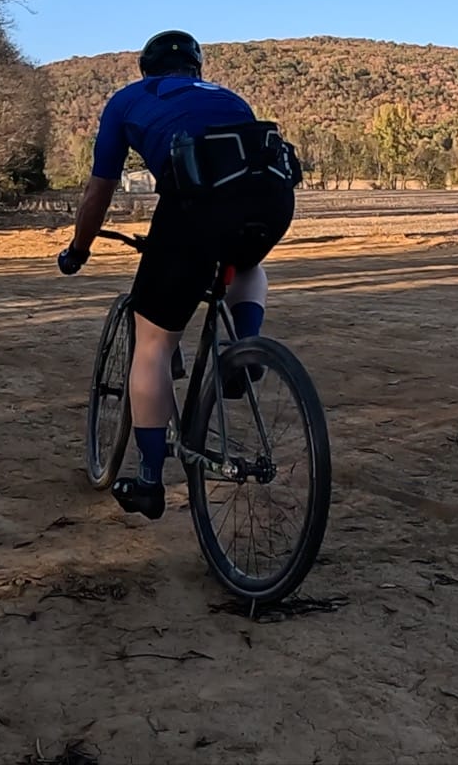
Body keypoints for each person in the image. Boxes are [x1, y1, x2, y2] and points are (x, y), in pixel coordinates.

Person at [57, 30, 299, 520]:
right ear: (197, 69)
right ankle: (243, 350)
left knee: (153, 344)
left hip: (196, 205)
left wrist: (78, 250)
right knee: (246, 264)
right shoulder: (228, 96)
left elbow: (98, 192)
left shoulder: (128, 100)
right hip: (272, 199)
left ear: (147, 69)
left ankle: (149, 481)